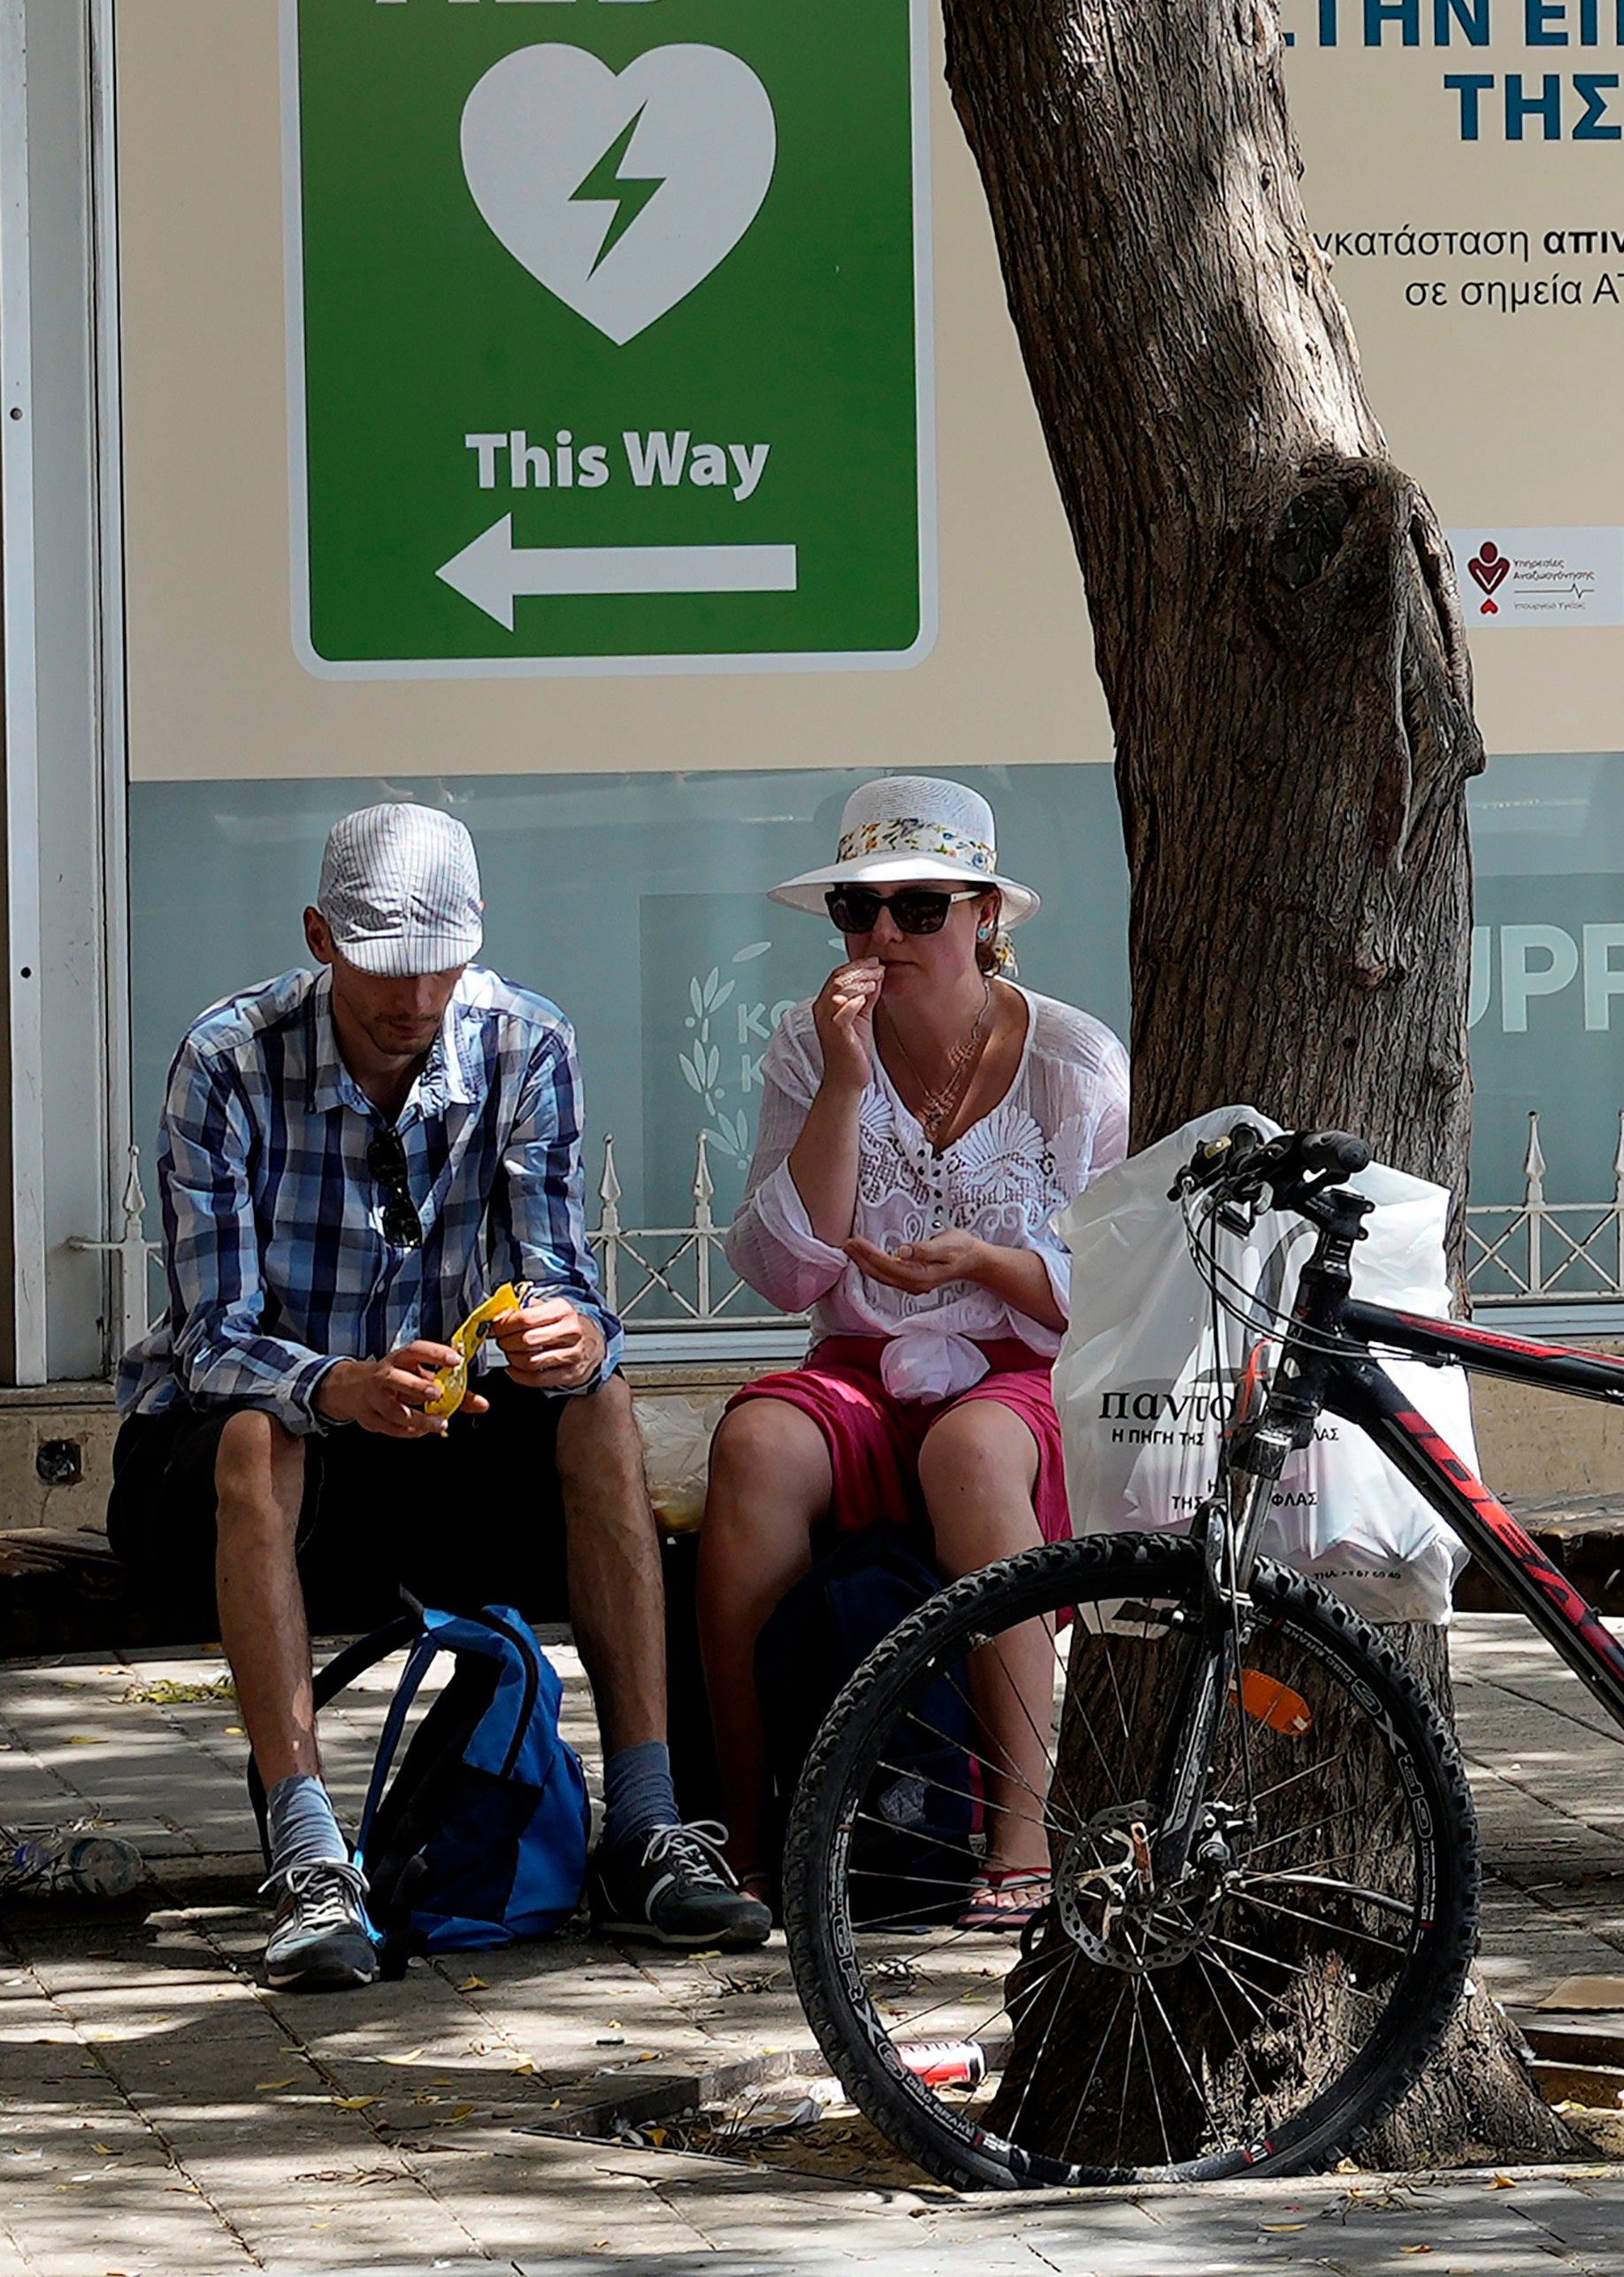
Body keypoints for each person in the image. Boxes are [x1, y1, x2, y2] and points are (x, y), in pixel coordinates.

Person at [107, 804, 773, 1990]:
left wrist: (570, 1333)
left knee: (602, 1402)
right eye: (381, 971)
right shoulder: (227, 1059)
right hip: (230, 1472)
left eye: (438, 967)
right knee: (261, 1435)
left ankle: (646, 1826)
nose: (413, 1000)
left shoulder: (527, 1045)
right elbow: (215, 1338)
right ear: (320, 937)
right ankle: (310, 1858)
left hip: (440, 1439)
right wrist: (336, 1386)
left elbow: (564, 1275)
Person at [698, 777, 1129, 1923]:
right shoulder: (809, 1045)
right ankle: (749, 1836)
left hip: (1026, 1373)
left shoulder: (1073, 1062)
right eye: (859, 909)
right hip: (864, 1364)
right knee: (753, 1447)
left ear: (987, 915)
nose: (884, 935)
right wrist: (845, 1082)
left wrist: (988, 1269)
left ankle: (1021, 1838)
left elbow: (1125, 1284)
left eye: (920, 908)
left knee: (974, 1455)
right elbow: (789, 1267)